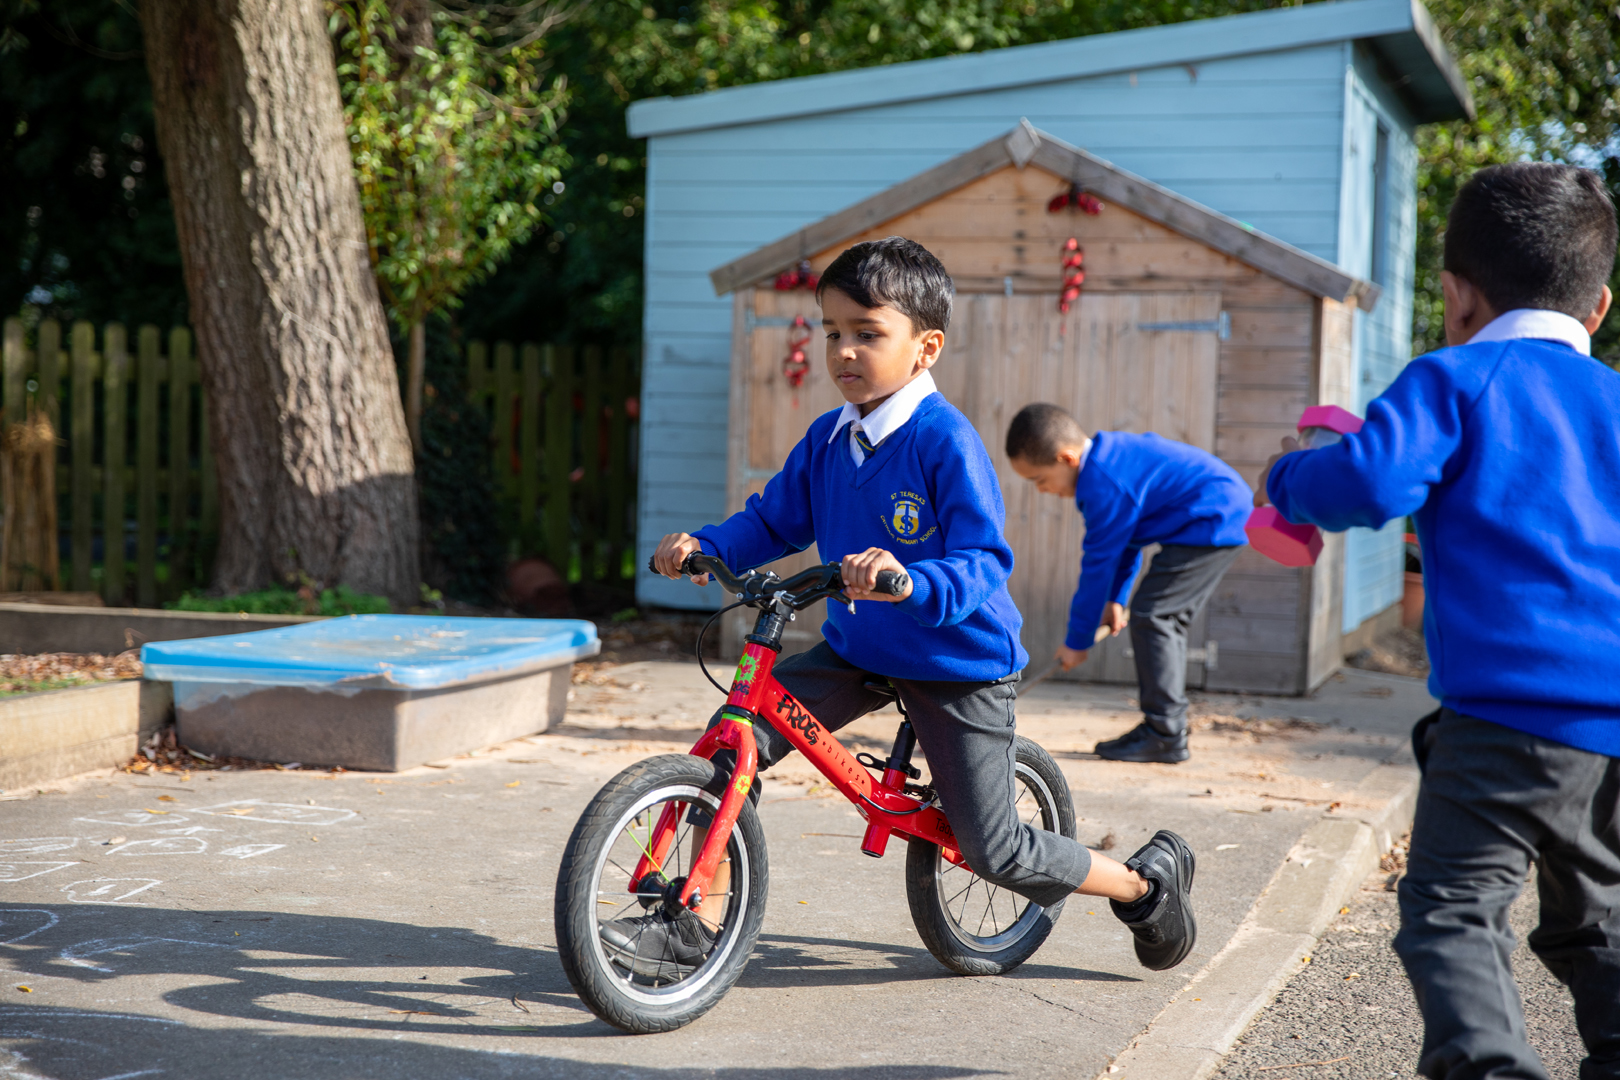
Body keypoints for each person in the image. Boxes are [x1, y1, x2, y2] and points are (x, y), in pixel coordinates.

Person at [618, 236, 1198, 975]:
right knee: (735, 742)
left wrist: (912, 581)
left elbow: (984, 560)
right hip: (861, 649)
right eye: (832, 331)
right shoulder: (829, 437)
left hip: (957, 660)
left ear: (926, 348)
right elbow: (773, 522)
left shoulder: (944, 440)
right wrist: (706, 546)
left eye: (867, 332)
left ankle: (1144, 885)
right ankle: (695, 922)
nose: (844, 350)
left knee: (993, 849)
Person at [1256, 162, 1618, 1080]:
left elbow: (1368, 481)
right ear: (1599, 305)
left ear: (1456, 296)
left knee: (1454, 910)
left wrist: (1288, 476)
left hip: (1505, 717)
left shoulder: (1455, 379)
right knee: (1598, 920)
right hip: (1614, 725)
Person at [1004, 404, 1250, 764]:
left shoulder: (1104, 483)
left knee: (1156, 617)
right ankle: (1165, 728)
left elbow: (1098, 566)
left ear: (1067, 458)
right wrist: (1115, 601)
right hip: (1213, 514)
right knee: (1158, 616)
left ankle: (1164, 733)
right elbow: (1127, 543)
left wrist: (1077, 641)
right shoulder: (1108, 464)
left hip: (1212, 517)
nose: (1042, 490)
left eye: (1040, 480)